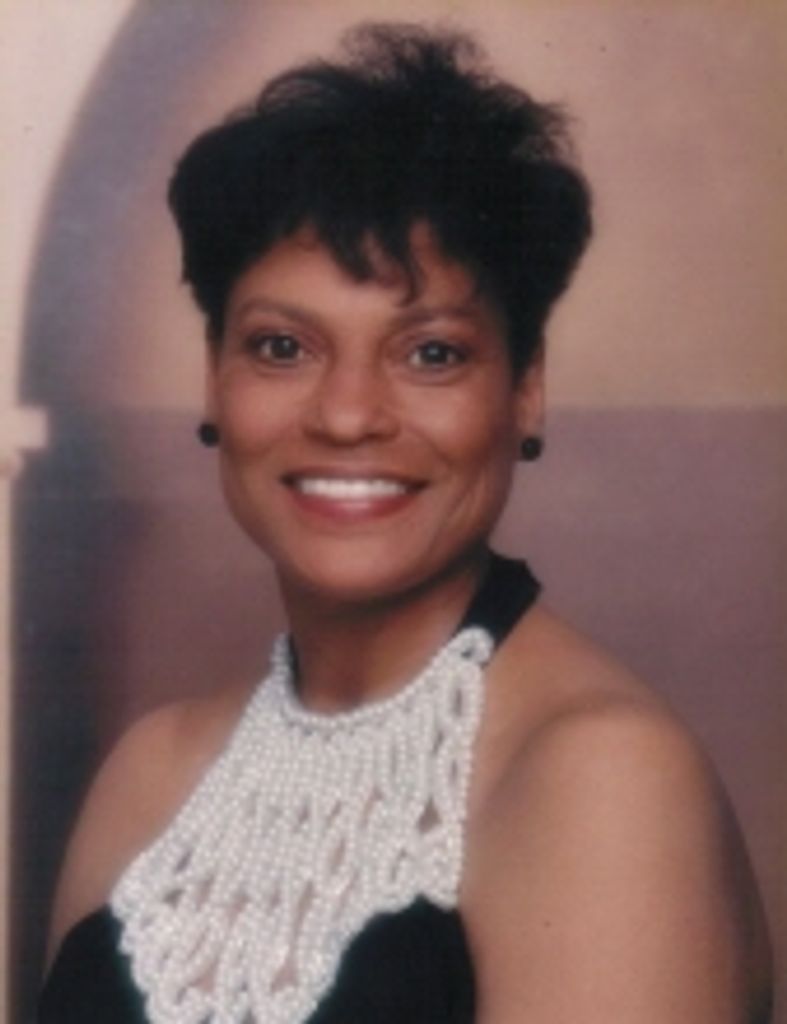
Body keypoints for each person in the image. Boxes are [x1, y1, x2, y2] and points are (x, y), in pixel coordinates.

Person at [39, 23, 772, 1023]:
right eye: (282, 346)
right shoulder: (147, 773)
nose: (347, 415)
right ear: (214, 379)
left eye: (430, 353)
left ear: (524, 389)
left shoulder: (601, 779)